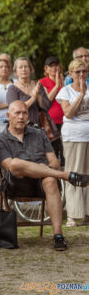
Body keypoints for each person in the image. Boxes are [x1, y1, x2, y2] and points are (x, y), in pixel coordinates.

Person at [0, 101, 89, 250]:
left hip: (41, 183)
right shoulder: (0, 139)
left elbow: (54, 162)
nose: (21, 116)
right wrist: (39, 167)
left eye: (24, 113)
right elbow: (10, 167)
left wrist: (45, 169)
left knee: (50, 179)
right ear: (8, 116)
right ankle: (68, 176)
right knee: (16, 163)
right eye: (17, 113)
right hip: (16, 184)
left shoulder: (39, 134)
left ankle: (58, 235)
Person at [56, 59, 89, 227]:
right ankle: (72, 214)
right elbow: (68, 113)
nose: (82, 75)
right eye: (78, 72)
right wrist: (82, 94)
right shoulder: (65, 91)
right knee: (74, 173)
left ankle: (87, 213)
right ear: (71, 74)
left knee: (88, 174)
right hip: (73, 136)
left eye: (84, 71)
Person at [7, 57, 50, 126]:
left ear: (30, 69)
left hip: (38, 126)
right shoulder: (12, 89)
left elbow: (46, 107)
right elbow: (15, 110)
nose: (24, 69)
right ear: (16, 72)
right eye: (20, 67)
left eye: (26, 67)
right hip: (20, 127)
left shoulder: (37, 85)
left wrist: (38, 95)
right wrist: (33, 98)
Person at [40, 56, 65, 165]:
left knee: (65, 152)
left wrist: (62, 82)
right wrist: (57, 84)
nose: (54, 68)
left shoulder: (66, 79)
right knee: (53, 152)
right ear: (46, 69)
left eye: (56, 65)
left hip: (65, 120)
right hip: (51, 123)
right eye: (51, 66)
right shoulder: (43, 82)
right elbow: (47, 100)